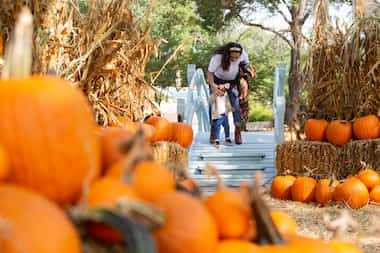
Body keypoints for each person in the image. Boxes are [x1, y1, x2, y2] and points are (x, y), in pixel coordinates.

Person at [207, 42, 256, 144]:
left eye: (236, 58)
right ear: (226, 54)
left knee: (236, 106)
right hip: (217, 81)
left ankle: (238, 132)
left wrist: (250, 71)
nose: (234, 60)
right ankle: (213, 132)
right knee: (215, 107)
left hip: (233, 82)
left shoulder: (243, 55)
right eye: (232, 58)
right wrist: (214, 86)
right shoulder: (218, 57)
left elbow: (246, 65)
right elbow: (210, 73)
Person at [209, 83, 234, 148]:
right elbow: (209, 101)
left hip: (224, 115)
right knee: (217, 128)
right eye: (220, 90)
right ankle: (216, 140)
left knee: (227, 126)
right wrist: (215, 94)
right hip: (217, 115)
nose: (221, 92)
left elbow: (228, 104)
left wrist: (230, 108)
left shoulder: (225, 96)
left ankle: (227, 138)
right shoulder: (214, 97)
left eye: (223, 91)